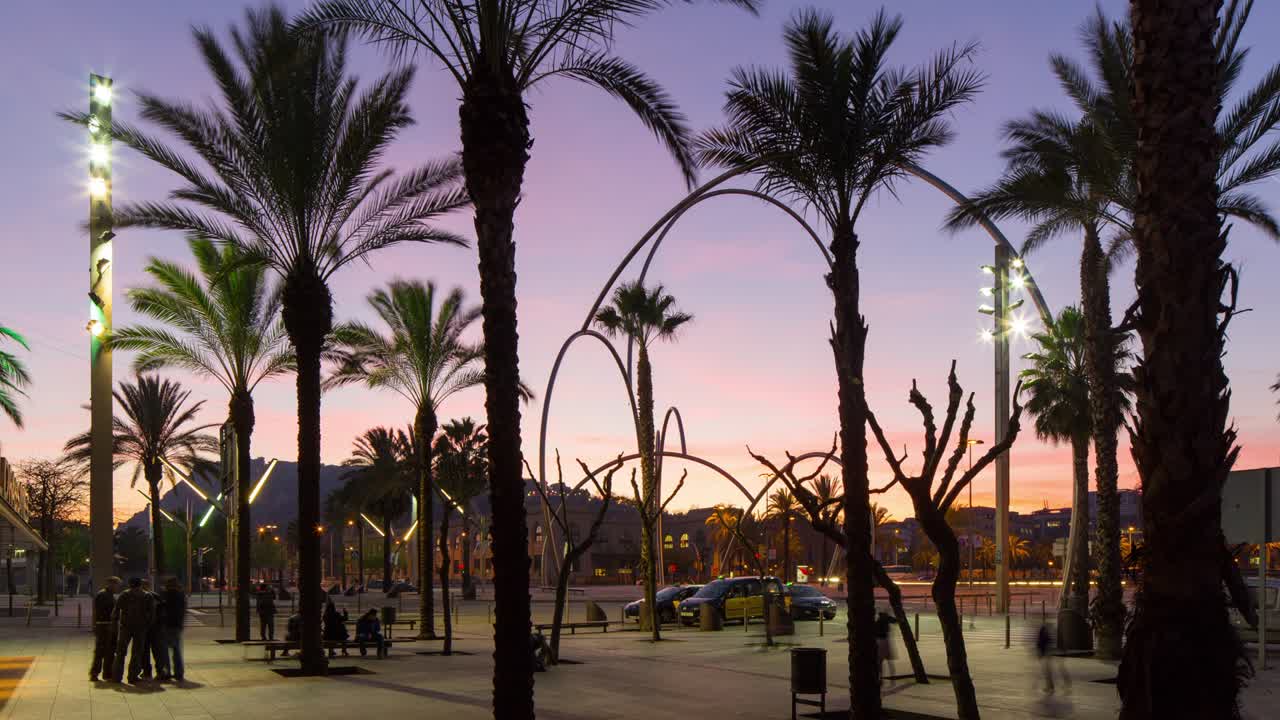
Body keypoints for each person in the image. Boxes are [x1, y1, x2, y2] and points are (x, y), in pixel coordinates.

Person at [111, 577, 155, 684]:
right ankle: (132, 676)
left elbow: (116, 611)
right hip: (140, 628)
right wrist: (147, 625)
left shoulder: (124, 594)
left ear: (129, 585)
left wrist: (115, 624)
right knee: (137, 653)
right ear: (140, 584)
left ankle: (117, 677)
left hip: (125, 627)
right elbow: (152, 614)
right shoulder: (147, 596)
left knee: (120, 652)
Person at [89, 576, 121, 682]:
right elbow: (99, 612)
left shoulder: (109, 595)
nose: (118, 587)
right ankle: (96, 673)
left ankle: (107, 673)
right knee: (101, 650)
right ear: (111, 584)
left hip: (108, 626)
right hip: (105, 626)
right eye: (117, 585)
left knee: (110, 651)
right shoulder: (103, 595)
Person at [140, 579, 169, 680]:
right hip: (156, 628)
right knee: (157, 651)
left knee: (145, 651)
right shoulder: (156, 596)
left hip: (146, 628)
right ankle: (160, 671)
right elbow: (163, 610)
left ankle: (147, 672)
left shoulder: (142, 597)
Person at [158, 577, 186, 682]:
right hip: (177, 625)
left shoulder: (165, 595)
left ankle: (166, 672)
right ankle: (179, 673)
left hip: (166, 625)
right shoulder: (180, 595)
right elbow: (183, 610)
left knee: (164, 651)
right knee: (177, 650)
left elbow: (161, 609)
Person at [1036, 622, 1071, 695]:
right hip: (1052, 651)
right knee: (1052, 669)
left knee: (1049, 669)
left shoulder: (1045, 627)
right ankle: (1054, 685)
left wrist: (1040, 652)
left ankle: (1054, 685)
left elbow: (1042, 641)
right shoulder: (1049, 627)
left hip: (1051, 651)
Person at [875, 610, 895, 684]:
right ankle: (892, 676)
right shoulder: (886, 619)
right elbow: (895, 621)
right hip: (885, 641)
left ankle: (880, 677)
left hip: (879, 642)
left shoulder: (878, 622)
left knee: (879, 661)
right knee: (889, 661)